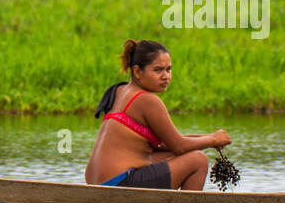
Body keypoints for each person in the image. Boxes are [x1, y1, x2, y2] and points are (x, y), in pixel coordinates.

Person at [85, 39, 231, 190]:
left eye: (168, 70)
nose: (165, 76)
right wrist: (213, 139)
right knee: (198, 160)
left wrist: (209, 139)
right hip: (119, 184)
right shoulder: (147, 100)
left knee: (174, 153)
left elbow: (169, 143)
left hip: (97, 184)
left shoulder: (119, 90)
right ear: (137, 71)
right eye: (158, 70)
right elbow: (179, 146)